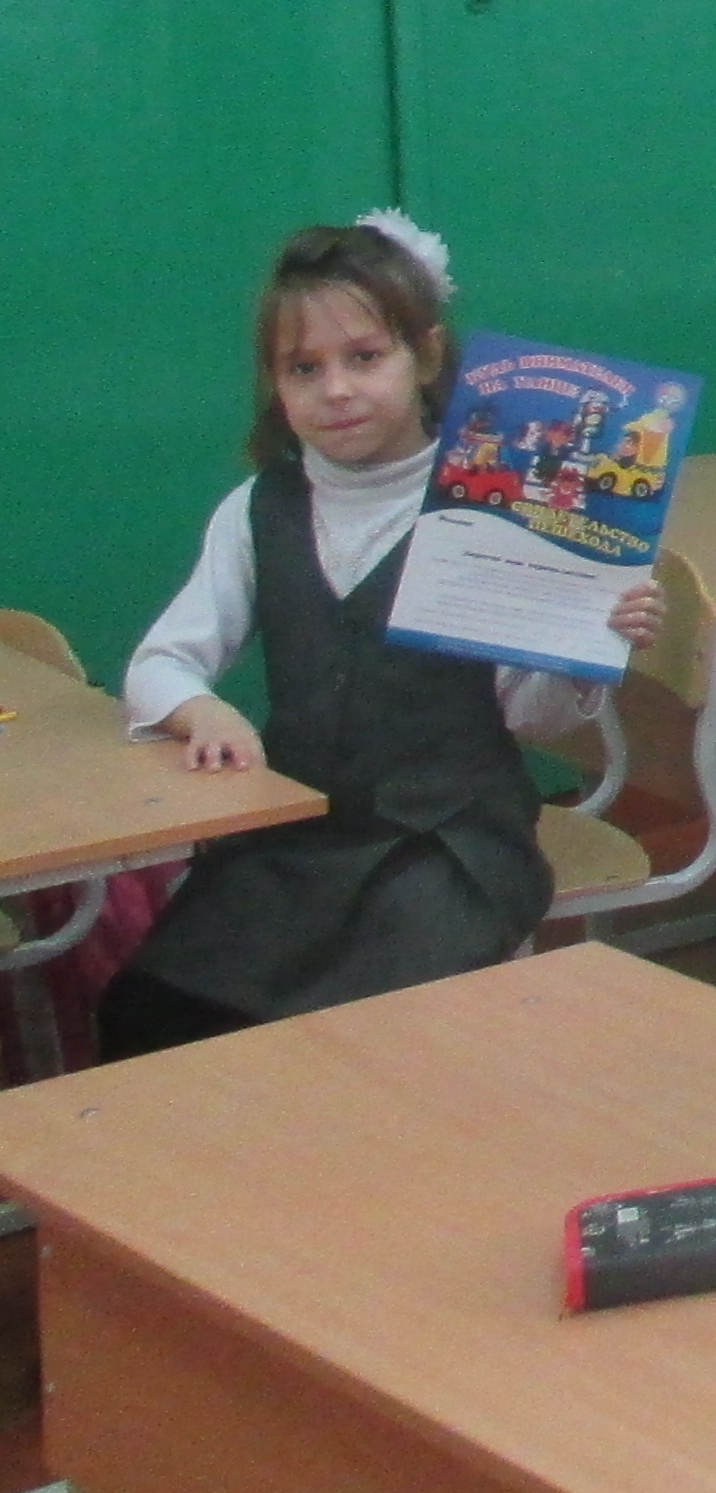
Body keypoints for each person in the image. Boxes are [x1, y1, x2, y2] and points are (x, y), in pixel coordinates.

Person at [104, 218, 662, 1056]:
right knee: (153, 1013)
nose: (336, 390)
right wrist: (199, 710)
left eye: (365, 357)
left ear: (426, 357)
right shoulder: (259, 510)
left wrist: (588, 647)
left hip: (450, 846)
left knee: (370, 1043)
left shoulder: (495, 509)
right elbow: (159, 664)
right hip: (296, 839)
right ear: (275, 383)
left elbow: (531, 716)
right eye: (304, 368)